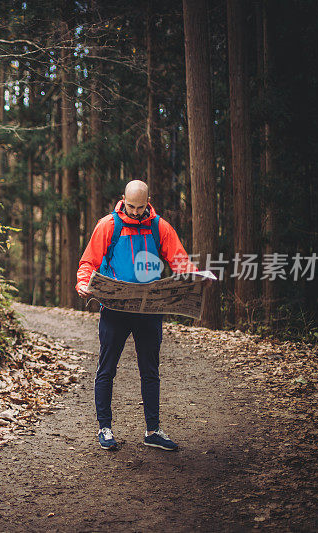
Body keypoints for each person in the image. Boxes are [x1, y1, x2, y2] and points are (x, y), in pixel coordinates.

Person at [76, 180, 198, 451]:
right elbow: (88, 263)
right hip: (115, 310)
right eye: (130, 206)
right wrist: (83, 284)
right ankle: (105, 428)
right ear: (123, 199)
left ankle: (153, 431)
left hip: (149, 311)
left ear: (148, 202)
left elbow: (179, 261)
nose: (134, 211)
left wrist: (190, 280)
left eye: (140, 207)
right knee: (107, 369)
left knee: (150, 371)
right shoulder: (108, 225)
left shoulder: (159, 226)